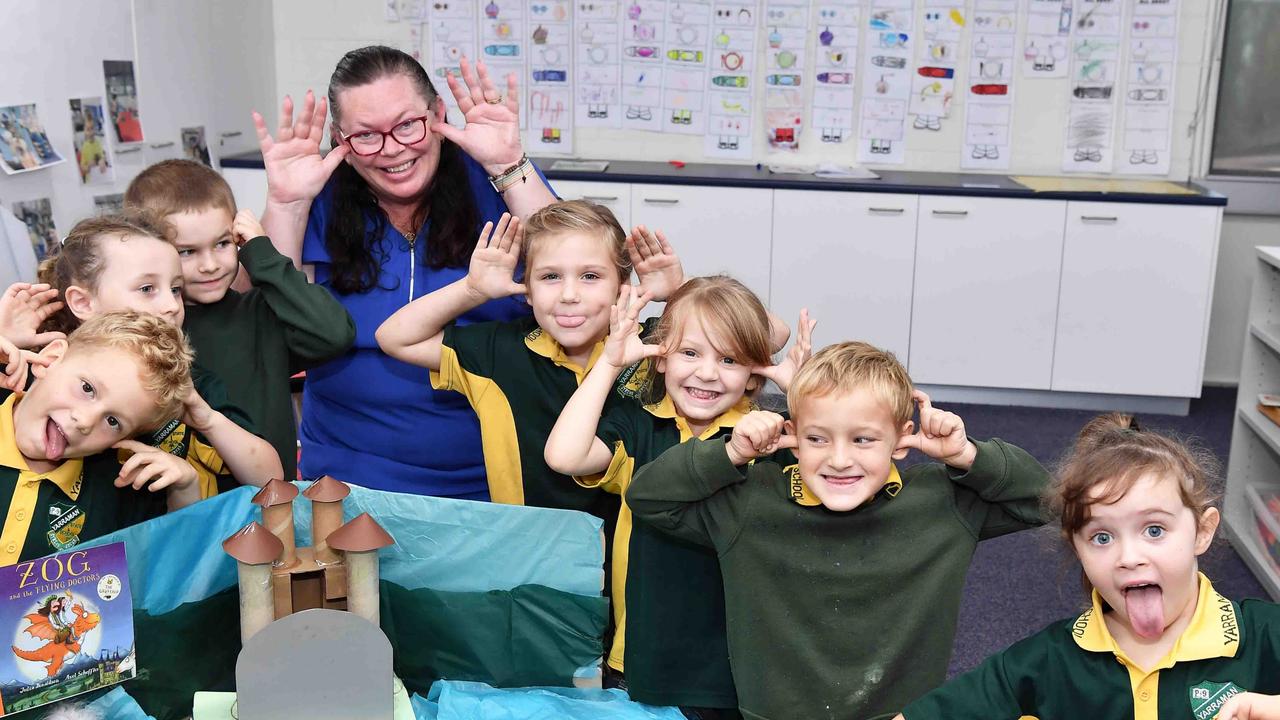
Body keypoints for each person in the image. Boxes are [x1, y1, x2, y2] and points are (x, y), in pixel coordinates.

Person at [625, 341, 1051, 720]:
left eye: (863, 440)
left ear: (902, 441)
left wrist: (967, 454)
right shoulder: (751, 501)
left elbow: (1047, 501)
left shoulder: (944, 502)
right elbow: (648, 497)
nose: (840, 459)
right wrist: (731, 452)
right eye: (818, 439)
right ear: (791, 435)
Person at [255, 45, 558, 497]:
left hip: (494, 476)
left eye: (407, 125)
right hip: (344, 479)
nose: (392, 149)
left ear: (437, 114)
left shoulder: (496, 184)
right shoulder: (321, 195)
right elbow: (264, 326)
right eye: (366, 135)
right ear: (341, 140)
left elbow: (578, 273)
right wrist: (287, 204)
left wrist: (507, 165)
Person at [544, 277, 812, 716]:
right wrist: (609, 366)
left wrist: (802, 399)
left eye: (729, 359)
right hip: (646, 656)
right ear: (661, 359)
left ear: (752, 376)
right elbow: (562, 455)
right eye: (690, 353)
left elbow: (836, 488)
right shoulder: (639, 427)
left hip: (741, 661)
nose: (707, 373)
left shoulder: (770, 435)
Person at [896, 415, 1280, 720]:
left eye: (1154, 529)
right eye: (1101, 537)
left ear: (1202, 531)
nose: (1129, 557)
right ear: (1076, 546)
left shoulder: (1264, 634)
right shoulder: (1048, 660)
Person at [125, 159, 355, 482]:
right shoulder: (144, 332)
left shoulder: (260, 313)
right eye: (187, 252)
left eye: (222, 244)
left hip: (271, 506)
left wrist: (262, 254)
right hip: (185, 512)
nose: (210, 265)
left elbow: (334, 334)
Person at [30, 212, 281, 495]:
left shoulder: (187, 384)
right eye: (147, 288)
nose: (171, 306)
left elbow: (271, 480)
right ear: (83, 302)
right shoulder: (47, 379)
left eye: (175, 289)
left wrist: (208, 420)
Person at [0, 311, 200, 564]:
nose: (85, 421)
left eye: (113, 421)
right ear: (51, 359)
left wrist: (185, 490)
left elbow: (176, 567)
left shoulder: (118, 492)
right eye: (87, 388)